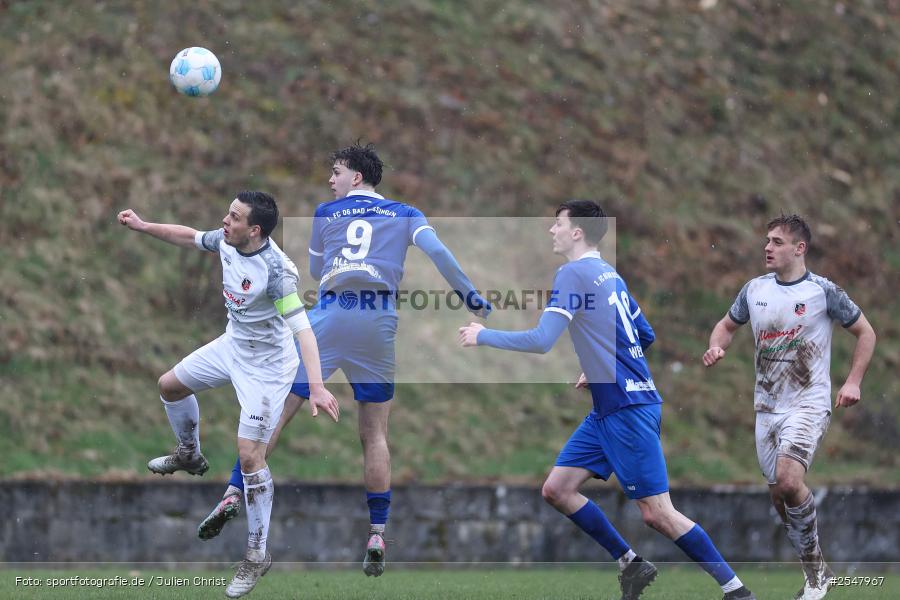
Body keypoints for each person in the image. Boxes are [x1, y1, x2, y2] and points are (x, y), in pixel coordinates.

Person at [197, 143, 491, 577]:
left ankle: (233, 493)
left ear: (356, 177)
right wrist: (471, 297)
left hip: (331, 315)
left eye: (336, 172)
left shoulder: (325, 212)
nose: (330, 180)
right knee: (375, 434)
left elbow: (318, 272)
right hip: (378, 322)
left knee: (277, 412)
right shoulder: (406, 213)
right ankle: (377, 532)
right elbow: (439, 253)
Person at [459, 200, 755, 600]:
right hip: (609, 410)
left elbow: (542, 340)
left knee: (658, 513)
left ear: (576, 232)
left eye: (558, 224)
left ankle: (737, 592)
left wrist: (484, 336)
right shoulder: (608, 274)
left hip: (627, 411)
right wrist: (601, 365)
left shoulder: (573, 274)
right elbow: (644, 334)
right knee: (557, 489)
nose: (551, 230)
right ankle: (631, 564)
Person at [118, 191, 339, 599]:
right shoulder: (226, 240)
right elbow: (189, 237)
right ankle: (188, 454)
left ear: (254, 230)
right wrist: (144, 226)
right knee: (169, 386)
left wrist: (317, 387)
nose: (225, 220)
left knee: (250, 457)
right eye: (228, 213)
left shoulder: (277, 273)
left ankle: (256, 555)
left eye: (234, 217)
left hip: (268, 369)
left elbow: (304, 332)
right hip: (232, 347)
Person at [703, 214, 875, 600]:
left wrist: (853, 381)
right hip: (766, 406)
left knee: (788, 481)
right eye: (767, 240)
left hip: (808, 402)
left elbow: (866, 333)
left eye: (777, 242)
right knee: (778, 496)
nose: (767, 247)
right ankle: (818, 570)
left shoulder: (823, 291)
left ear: (800, 249)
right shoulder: (754, 290)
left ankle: (815, 577)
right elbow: (726, 327)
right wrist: (716, 347)